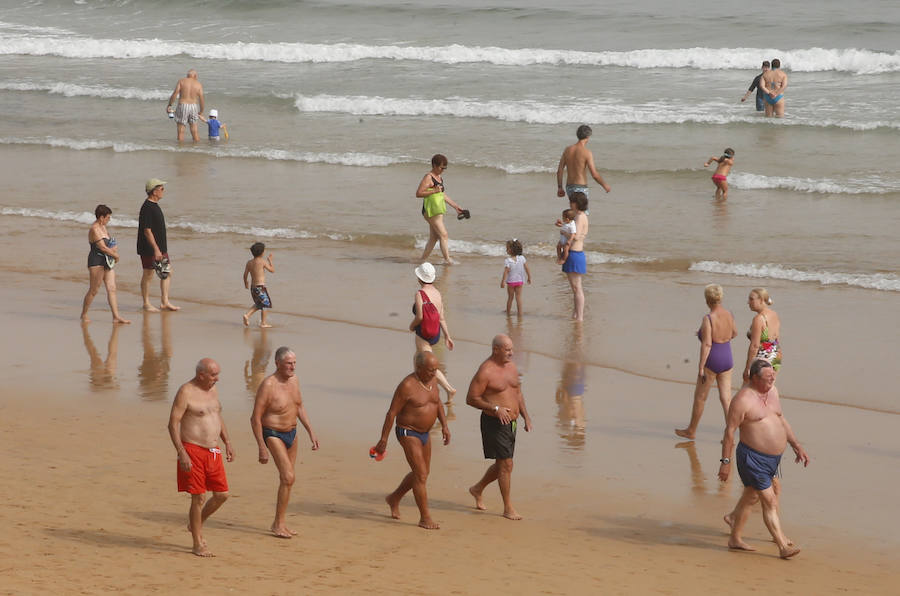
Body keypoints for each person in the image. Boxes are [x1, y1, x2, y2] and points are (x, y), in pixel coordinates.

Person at [718, 360, 809, 558]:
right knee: (769, 500)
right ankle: (782, 546)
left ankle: (734, 532)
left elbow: (781, 419)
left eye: (773, 376)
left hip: (772, 459)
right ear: (755, 378)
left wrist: (796, 445)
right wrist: (725, 463)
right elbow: (729, 432)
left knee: (751, 496)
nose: (772, 379)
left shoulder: (773, 391)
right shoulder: (742, 400)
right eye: (768, 377)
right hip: (752, 457)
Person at [373, 351, 450, 529]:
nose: (434, 373)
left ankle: (394, 498)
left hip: (426, 433)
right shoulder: (407, 385)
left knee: (422, 473)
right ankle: (425, 518)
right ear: (419, 368)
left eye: (436, 369)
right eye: (430, 370)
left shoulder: (433, 380)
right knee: (421, 474)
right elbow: (391, 413)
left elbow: (437, 403)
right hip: (408, 432)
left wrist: (445, 425)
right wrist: (383, 439)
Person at [250, 346, 320, 538]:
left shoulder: (295, 381)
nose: (293, 367)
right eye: (289, 363)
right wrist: (261, 447)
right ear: (278, 363)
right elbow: (255, 418)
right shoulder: (268, 385)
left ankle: (279, 523)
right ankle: (278, 524)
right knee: (288, 477)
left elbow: (299, 406)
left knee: (287, 480)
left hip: (292, 433)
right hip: (273, 433)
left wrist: (311, 432)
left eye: (295, 363)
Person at [167, 358, 234, 557]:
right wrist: (181, 452)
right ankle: (197, 542)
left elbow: (217, 416)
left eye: (217, 374)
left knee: (222, 495)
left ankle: (195, 524)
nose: (217, 379)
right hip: (192, 449)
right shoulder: (186, 392)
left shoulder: (213, 390)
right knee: (198, 497)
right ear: (201, 375)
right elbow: (173, 424)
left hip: (213, 450)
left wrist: (227, 441)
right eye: (213, 375)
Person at [466, 335, 533, 520]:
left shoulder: (511, 367)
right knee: (507, 464)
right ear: (496, 349)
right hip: (494, 422)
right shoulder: (485, 371)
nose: (511, 353)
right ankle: (508, 508)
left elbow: (517, 393)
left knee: (503, 464)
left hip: (511, 422)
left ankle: (477, 488)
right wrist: (495, 409)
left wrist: (526, 416)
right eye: (507, 350)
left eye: (512, 349)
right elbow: (471, 398)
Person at [675, 284, 738, 440]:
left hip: (713, 359)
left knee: (701, 398)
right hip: (727, 357)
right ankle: (729, 433)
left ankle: (691, 430)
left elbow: (707, 344)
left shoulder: (708, 318)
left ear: (707, 300)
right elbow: (734, 333)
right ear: (720, 298)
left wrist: (701, 366)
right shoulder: (729, 314)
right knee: (726, 398)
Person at [410, 262, 456, 403]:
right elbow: (441, 318)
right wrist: (447, 336)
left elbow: (420, 317)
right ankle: (420, 386)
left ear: (419, 278)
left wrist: (411, 326)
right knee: (417, 358)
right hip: (435, 333)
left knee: (428, 364)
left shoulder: (420, 294)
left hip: (423, 333)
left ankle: (449, 388)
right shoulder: (437, 293)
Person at [80, 204, 130, 324]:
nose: (109, 220)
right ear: (101, 217)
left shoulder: (103, 227)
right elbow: (102, 247)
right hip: (96, 261)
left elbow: (109, 243)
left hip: (107, 260)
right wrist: (116, 255)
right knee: (94, 290)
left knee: (112, 288)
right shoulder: (95, 229)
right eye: (108, 217)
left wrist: (114, 248)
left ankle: (116, 316)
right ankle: (84, 314)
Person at [137, 179, 179, 312]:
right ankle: (146, 303)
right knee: (148, 274)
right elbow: (147, 231)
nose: (163, 191)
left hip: (159, 248)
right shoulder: (147, 207)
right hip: (149, 249)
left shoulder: (154, 205)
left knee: (167, 272)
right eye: (161, 189)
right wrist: (156, 249)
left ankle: (164, 301)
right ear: (154, 191)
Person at [417, 154, 466, 264]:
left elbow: (442, 195)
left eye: (444, 168)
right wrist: (434, 191)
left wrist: (456, 207)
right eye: (441, 168)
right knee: (444, 235)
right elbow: (418, 193)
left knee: (434, 237)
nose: (443, 170)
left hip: (437, 210)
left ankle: (422, 260)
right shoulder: (428, 177)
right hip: (430, 211)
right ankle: (447, 260)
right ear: (434, 165)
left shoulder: (439, 178)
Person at [556, 124, 611, 201]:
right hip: (581, 188)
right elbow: (594, 174)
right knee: (582, 213)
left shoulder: (567, 150)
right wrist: (605, 185)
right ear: (588, 136)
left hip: (569, 187)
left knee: (575, 211)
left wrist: (560, 187)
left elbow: (560, 171)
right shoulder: (587, 152)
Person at [743, 287, 781, 382]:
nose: (748, 302)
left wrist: (748, 368)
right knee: (767, 389)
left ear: (761, 300)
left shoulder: (759, 319)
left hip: (763, 358)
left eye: (751, 299)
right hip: (776, 355)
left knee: (749, 390)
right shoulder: (774, 314)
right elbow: (776, 337)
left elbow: (755, 346)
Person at [562, 192, 589, 321]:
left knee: (577, 287)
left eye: (572, 202)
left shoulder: (579, 216)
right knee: (575, 287)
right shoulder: (581, 216)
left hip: (575, 253)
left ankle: (580, 316)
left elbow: (576, 236)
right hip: (575, 253)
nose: (570, 204)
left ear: (577, 203)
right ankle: (576, 313)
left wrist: (563, 233)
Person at [166, 69, 205, 141]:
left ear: (187, 75)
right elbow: (202, 99)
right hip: (193, 106)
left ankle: (180, 148)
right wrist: (201, 111)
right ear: (195, 76)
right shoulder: (198, 84)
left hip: (183, 105)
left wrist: (169, 105)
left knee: (181, 130)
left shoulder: (182, 81)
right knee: (194, 130)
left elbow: (175, 94)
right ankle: (197, 147)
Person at [242, 242, 275, 328]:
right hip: (260, 287)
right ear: (262, 253)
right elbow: (272, 270)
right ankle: (263, 323)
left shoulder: (249, 262)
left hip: (253, 288)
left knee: (259, 304)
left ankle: (247, 315)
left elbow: (245, 275)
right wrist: (270, 261)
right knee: (265, 304)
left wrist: (246, 283)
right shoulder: (263, 262)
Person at [500, 239, 531, 316]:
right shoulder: (522, 258)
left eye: (507, 248)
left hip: (511, 282)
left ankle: (508, 312)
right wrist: (529, 277)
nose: (506, 250)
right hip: (520, 281)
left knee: (510, 298)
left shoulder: (508, 260)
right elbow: (527, 268)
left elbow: (506, 272)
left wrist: (503, 282)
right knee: (518, 298)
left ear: (511, 250)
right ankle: (520, 313)